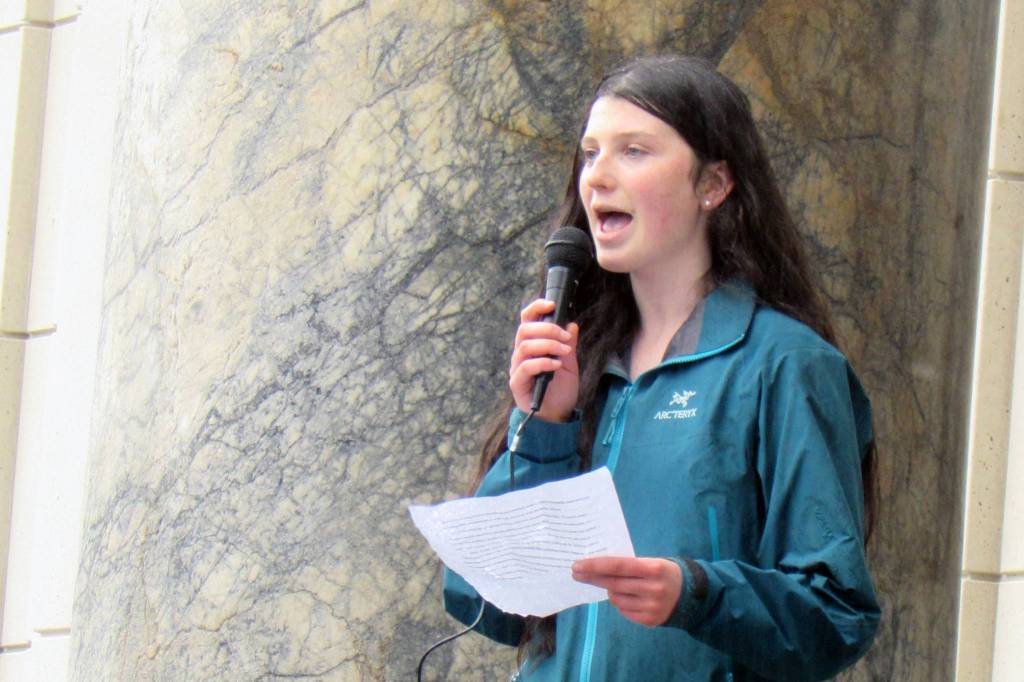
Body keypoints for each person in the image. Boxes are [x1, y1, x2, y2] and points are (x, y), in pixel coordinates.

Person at [443, 54, 880, 681]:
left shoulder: (784, 364)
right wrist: (543, 428)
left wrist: (697, 593)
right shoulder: (581, 366)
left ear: (713, 184)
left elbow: (836, 614)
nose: (597, 177)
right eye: (590, 153)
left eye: (634, 151)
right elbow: (485, 605)